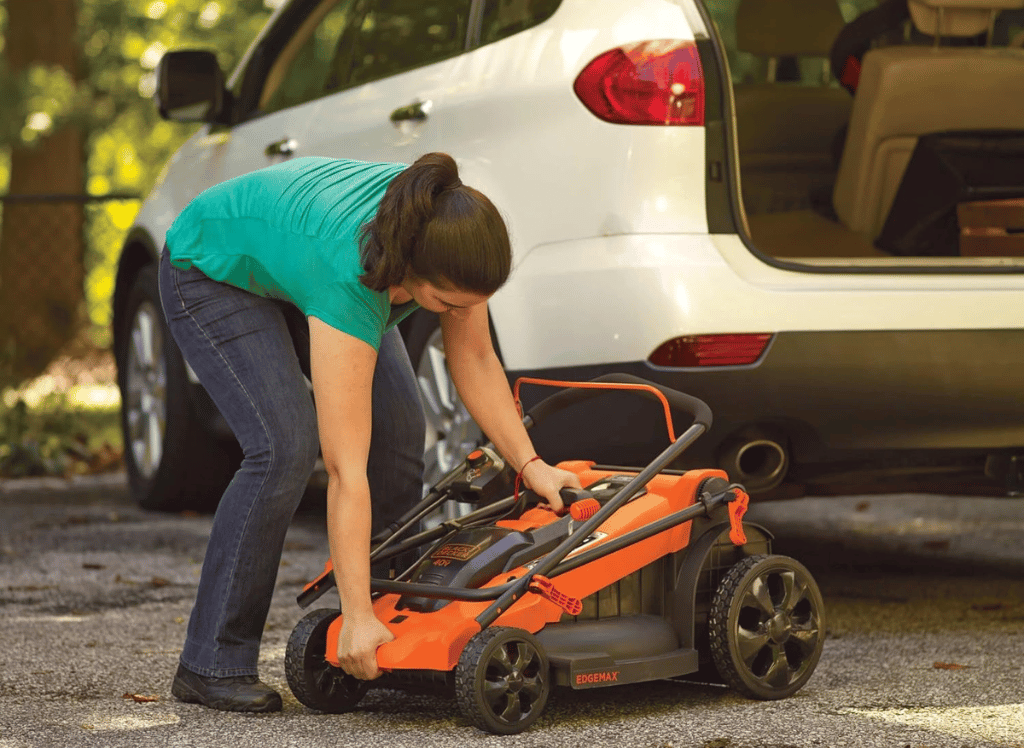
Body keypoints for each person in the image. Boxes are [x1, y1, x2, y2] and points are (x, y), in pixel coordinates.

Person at [158, 152, 581, 712]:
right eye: (448, 303)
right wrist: (351, 615)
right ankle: (213, 660)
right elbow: (344, 470)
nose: (459, 313)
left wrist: (531, 465)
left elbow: (476, 358)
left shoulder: (446, 234)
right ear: (410, 270)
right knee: (283, 448)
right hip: (210, 266)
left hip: (297, 262)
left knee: (401, 434)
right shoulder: (351, 274)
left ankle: (390, 623)